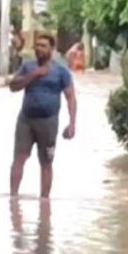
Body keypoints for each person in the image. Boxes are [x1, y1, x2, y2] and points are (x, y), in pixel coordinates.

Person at [9, 33, 77, 198]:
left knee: (46, 162)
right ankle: (13, 198)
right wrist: (34, 74)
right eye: (37, 45)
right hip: (25, 120)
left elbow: (70, 97)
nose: (39, 49)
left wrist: (72, 123)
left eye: (43, 46)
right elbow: (13, 86)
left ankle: (45, 201)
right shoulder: (28, 67)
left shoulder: (61, 71)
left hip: (49, 122)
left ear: (52, 49)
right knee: (19, 158)